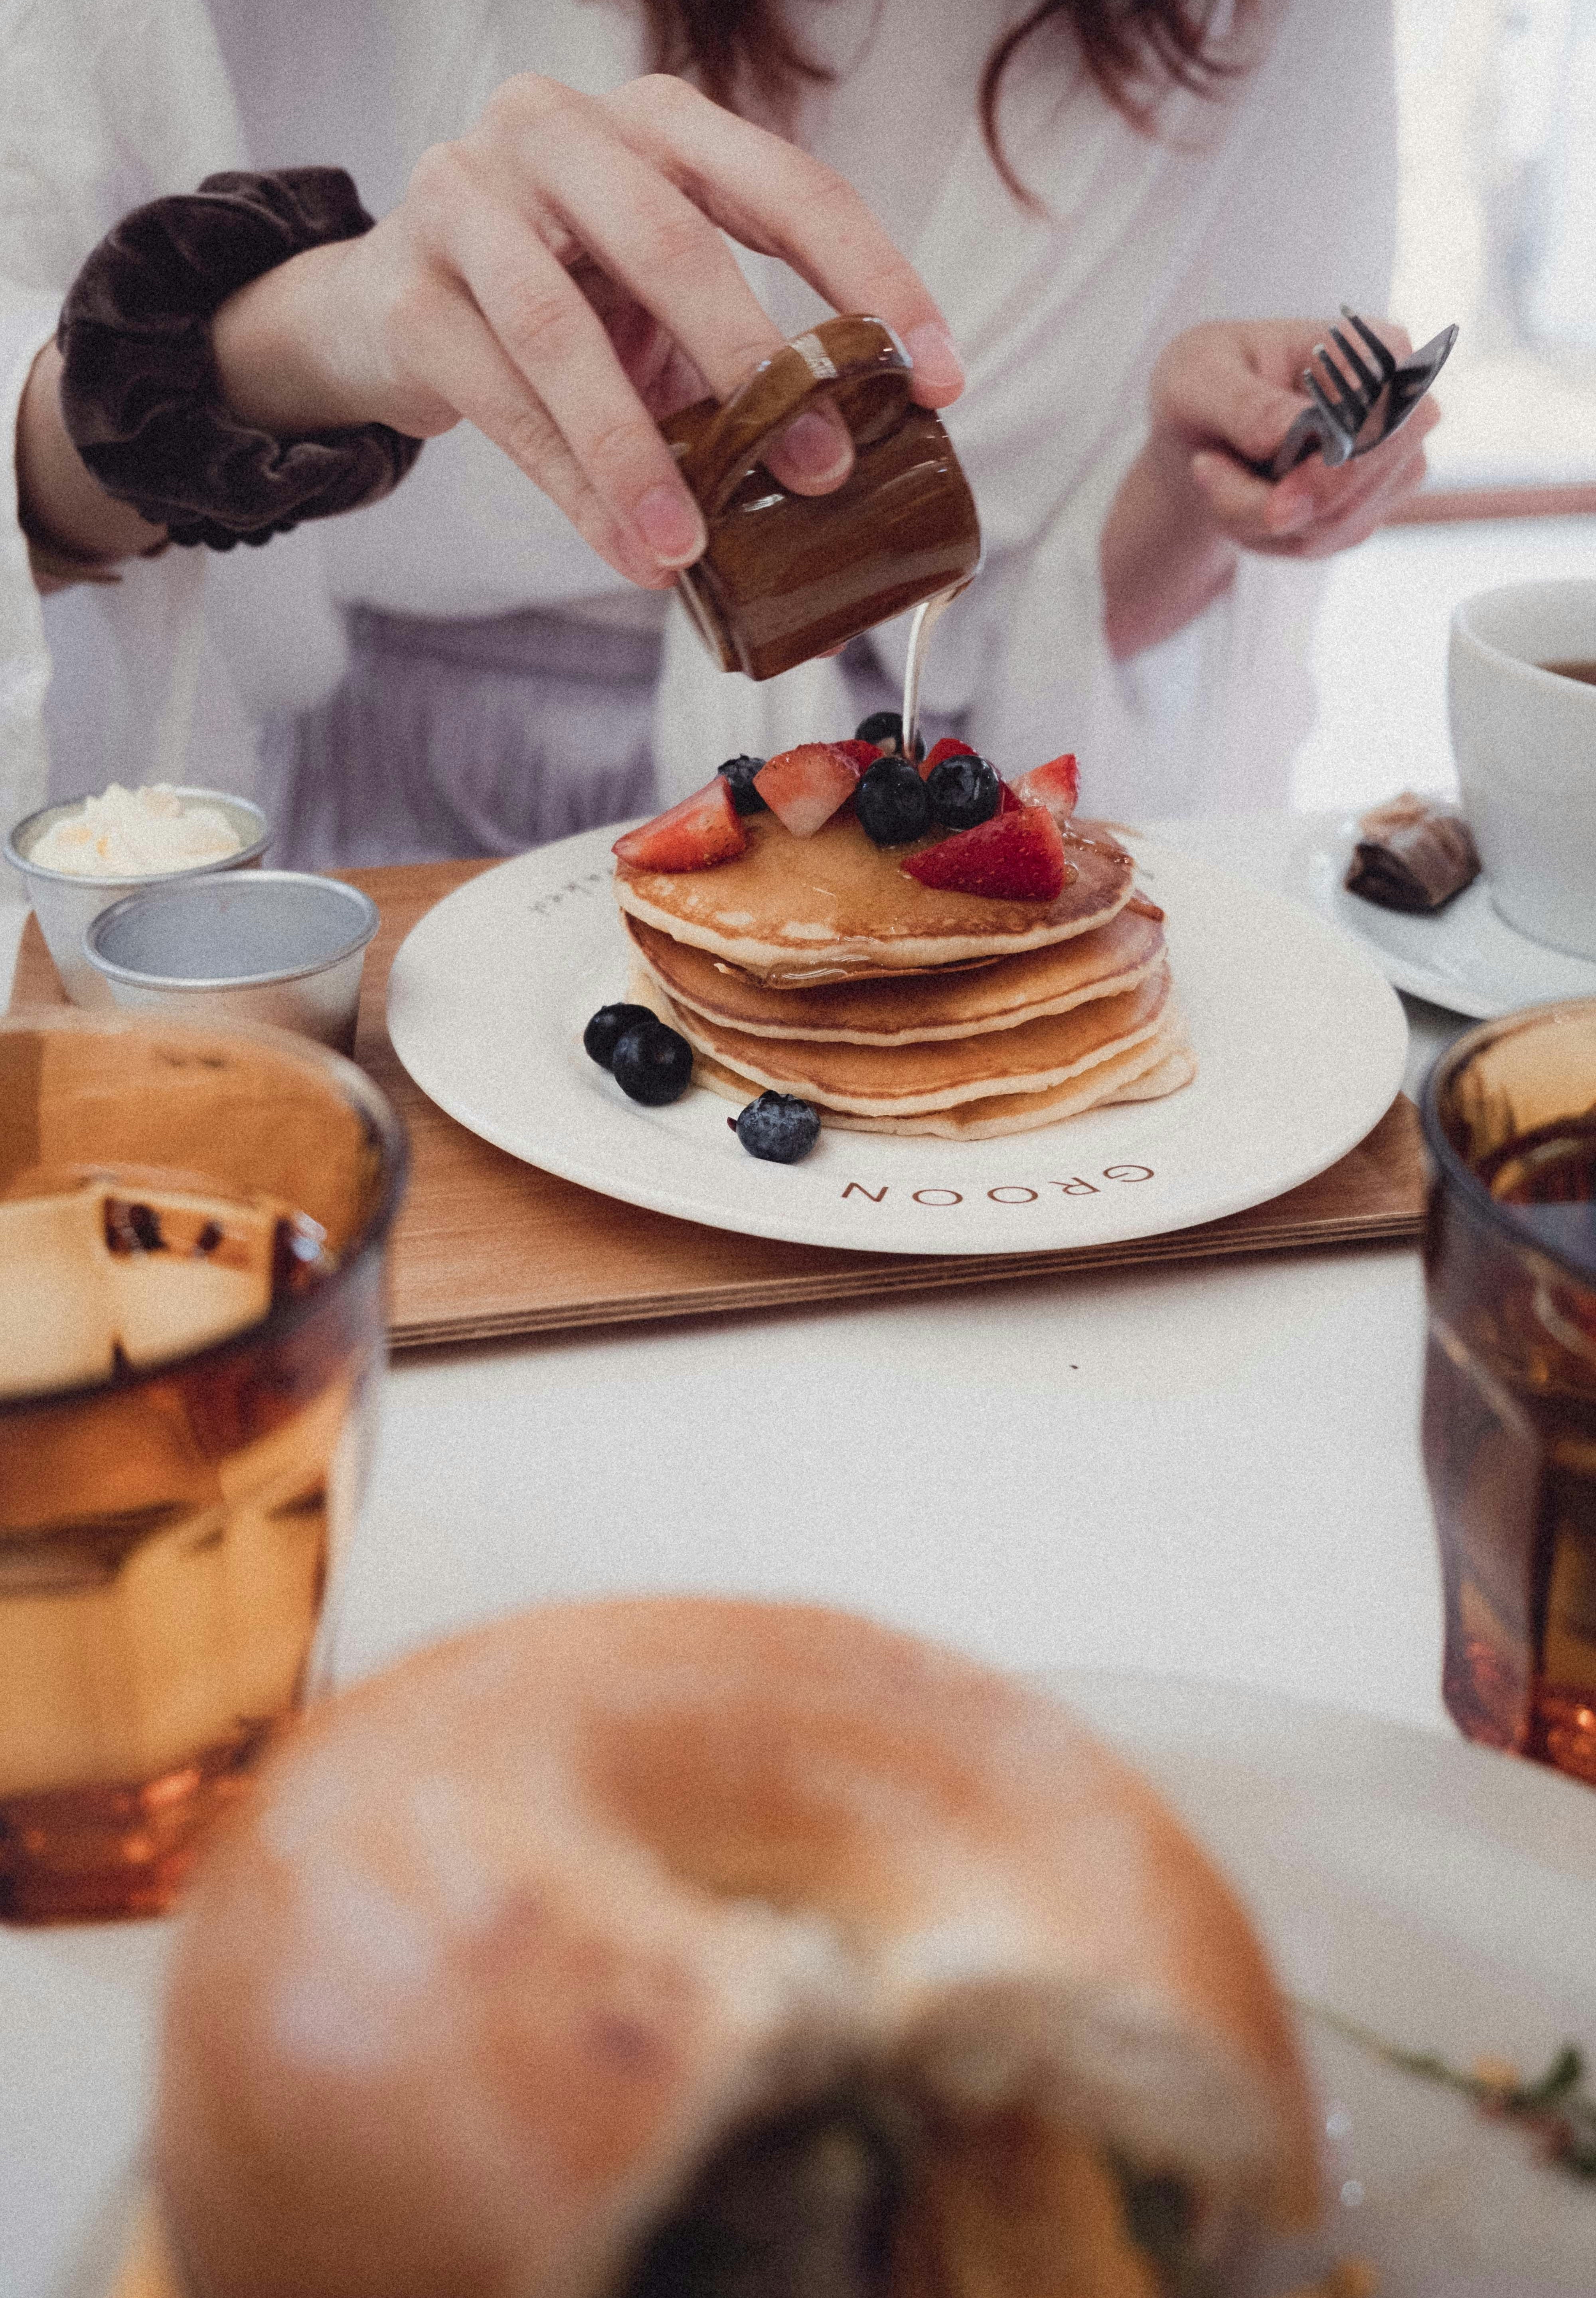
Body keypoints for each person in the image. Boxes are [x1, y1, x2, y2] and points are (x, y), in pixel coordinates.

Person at [2, 0, 1433, 873]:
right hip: (406, 855)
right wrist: (318, 336)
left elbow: (1084, 631)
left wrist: (1201, 486)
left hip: (923, 839)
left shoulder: (1273, 29)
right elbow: (42, 525)